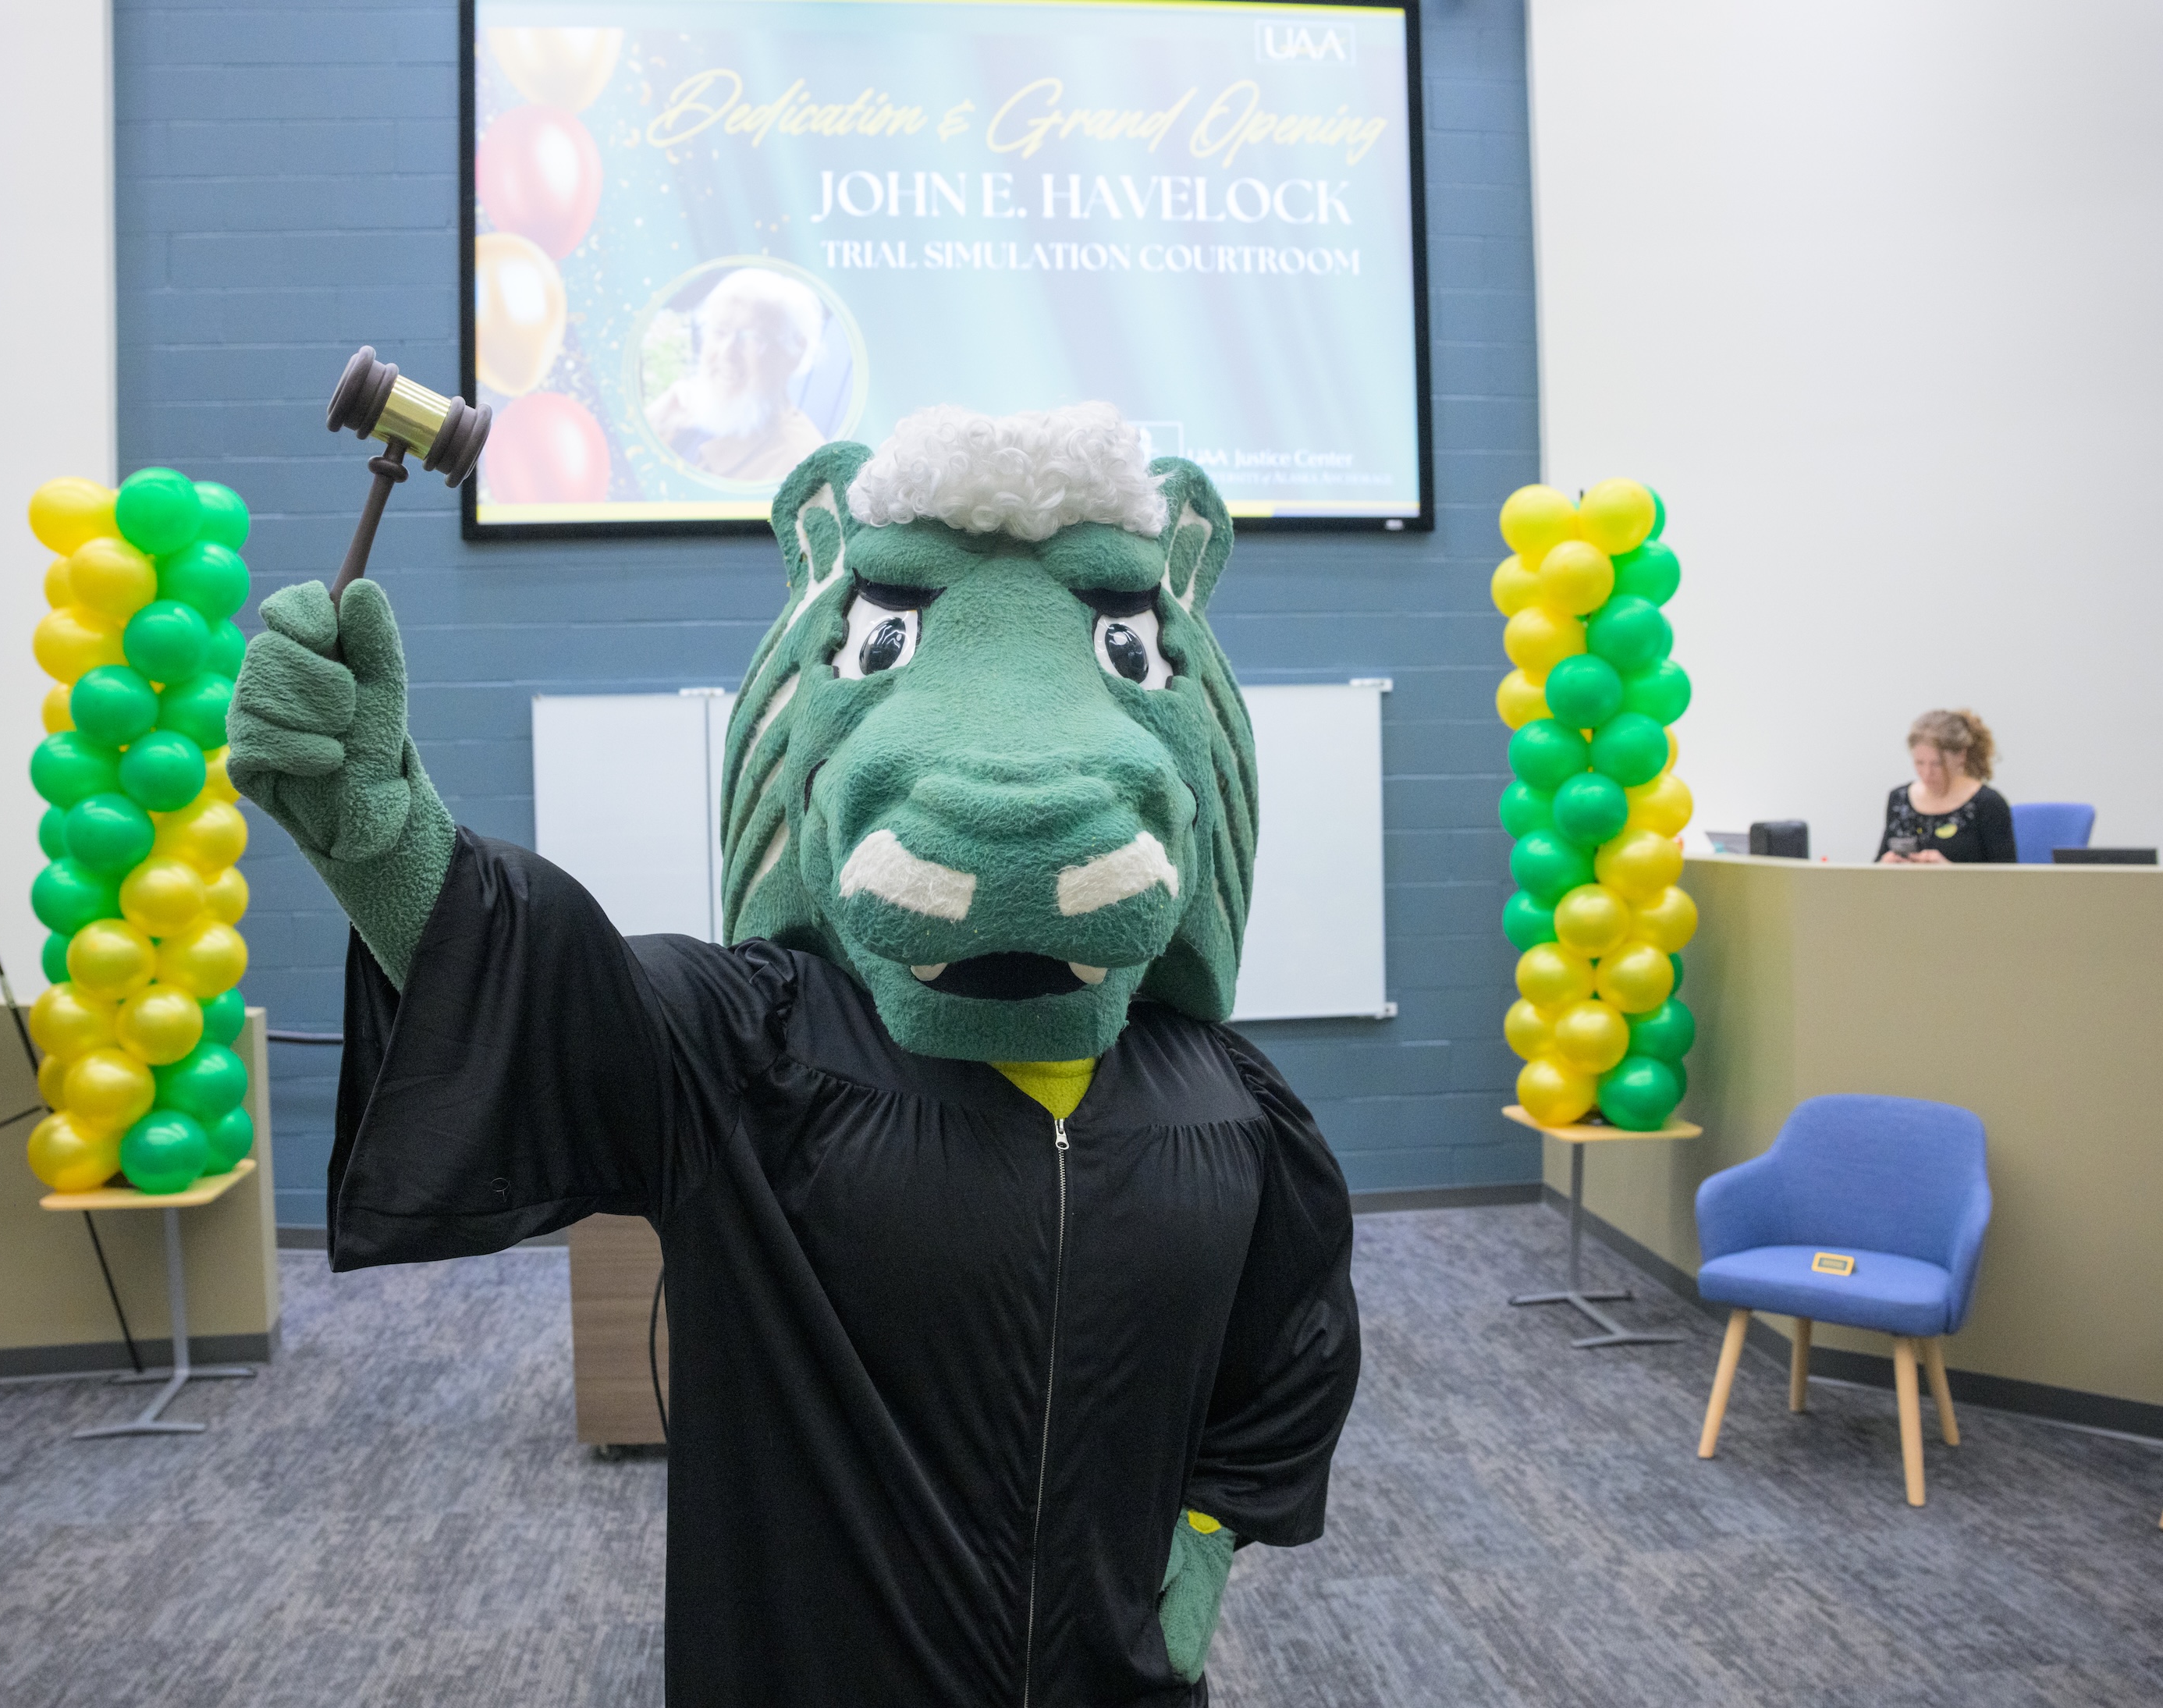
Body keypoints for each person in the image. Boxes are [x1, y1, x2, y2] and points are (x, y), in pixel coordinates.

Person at [226, 403, 1359, 1706]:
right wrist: (376, 831)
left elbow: (1292, 1349)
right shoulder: (748, 1051)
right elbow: (549, 985)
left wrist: (1205, 1537)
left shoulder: (1223, 1102)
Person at [643, 266, 831, 484]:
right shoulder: (687, 418)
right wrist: (653, 424)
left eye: (751, 337)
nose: (727, 353)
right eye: (719, 332)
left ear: (794, 353)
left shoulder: (803, 470)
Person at [1877, 708, 2016, 864]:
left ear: (1961, 756)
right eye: (1919, 763)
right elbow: (1873, 875)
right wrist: (1884, 866)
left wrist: (1949, 875)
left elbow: (2007, 882)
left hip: (1965, 889)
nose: (1927, 773)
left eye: (1937, 764)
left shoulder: (1987, 804)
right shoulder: (1899, 799)